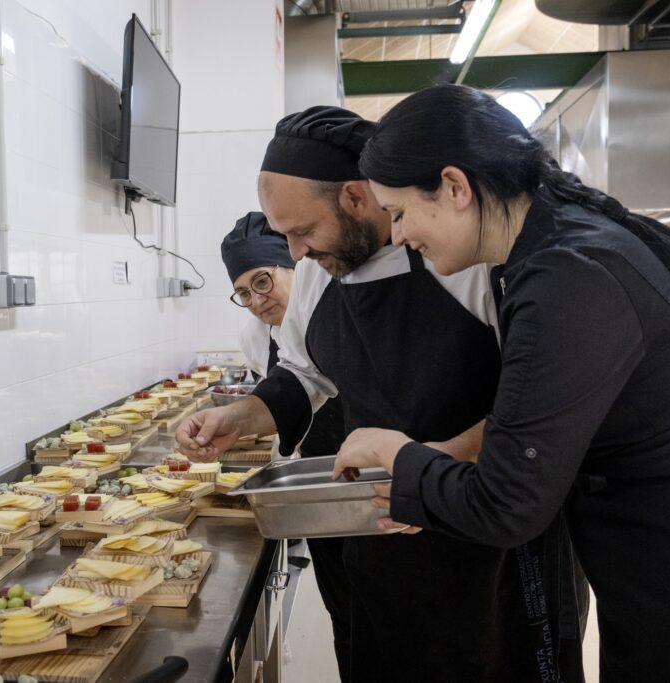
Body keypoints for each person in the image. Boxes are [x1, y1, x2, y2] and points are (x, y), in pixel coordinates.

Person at [335, 83, 670, 682]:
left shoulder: (565, 274)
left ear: (455, 187)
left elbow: (506, 506)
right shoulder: (571, 234)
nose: (401, 235)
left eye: (402, 212)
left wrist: (397, 455)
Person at [179, 106, 587, 682]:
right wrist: (240, 417)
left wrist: (431, 464)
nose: (294, 253)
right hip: (383, 532)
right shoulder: (321, 273)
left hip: (494, 537)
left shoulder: (468, 258)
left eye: (301, 231)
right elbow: (305, 373)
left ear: (354, 197)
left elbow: (541, 406)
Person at [220, 212, 352, 681]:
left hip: (371, 477)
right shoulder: (256, 337)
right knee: (347, 611)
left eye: (263, 281)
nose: (256, 301)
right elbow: (292, 396)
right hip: (322, 484)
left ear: (294, 265)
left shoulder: (340, 309)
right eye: (243, 293)